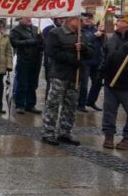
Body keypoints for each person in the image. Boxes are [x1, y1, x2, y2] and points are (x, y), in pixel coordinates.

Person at [42, 15, 93, 146]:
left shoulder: (82, 34)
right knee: (53, 104)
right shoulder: (56, 33)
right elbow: (51, 52)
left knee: (70, 105)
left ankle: (64, 132)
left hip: (76, 76)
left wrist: (84, 48)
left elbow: (91, 53)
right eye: (79, 20)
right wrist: (72, 59)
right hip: (60, 74)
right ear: (71, 20)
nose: (81, 23)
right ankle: (48, 133)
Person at [101, 13, 128, 150]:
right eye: (118, 20)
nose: (117, 22)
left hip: (126, 84)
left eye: (121, 20)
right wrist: (102, 71)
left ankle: (126, 138)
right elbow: (106, 55)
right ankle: (109, 136)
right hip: (110, 82)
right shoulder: (112, 38)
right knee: (109, 111)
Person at [10, 17, 44, 114]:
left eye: (29, 17)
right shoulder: (16, 30)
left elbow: (41, 44)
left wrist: (41, 42)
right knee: (22, 83)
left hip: (36, 60)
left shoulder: (36, 29)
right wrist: (31, 42)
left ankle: (31, 104)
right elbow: (15, 43)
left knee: (33, 84)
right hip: (24, 60)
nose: (28, 19)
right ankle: (20, 105)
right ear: (20, 19)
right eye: (26, 17)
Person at [78, 13, 105, 112]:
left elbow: (104, 43)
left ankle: (91, 101)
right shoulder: (80, 30)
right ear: (82, 20)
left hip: (97, 60)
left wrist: (103, 33)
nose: (88, 20)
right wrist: (95, 36)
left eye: (90, 18)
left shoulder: (96, 28)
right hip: (85, 61)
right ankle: (81, 104)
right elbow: (83, 42)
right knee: (84, 84)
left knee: (97, 83)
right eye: (86, 18)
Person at [42, 18, 63, 96]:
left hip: (63, 61)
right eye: (61, 18)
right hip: (50, 60)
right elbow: (47, 45)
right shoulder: (48, 29)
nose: (62, 20)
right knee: (50, 81)